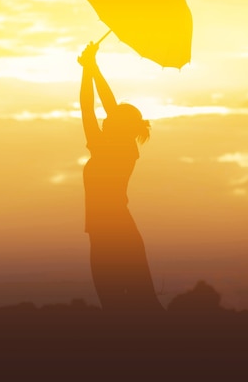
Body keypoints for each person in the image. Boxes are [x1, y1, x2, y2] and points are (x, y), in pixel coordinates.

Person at [78, 41, 164, 313]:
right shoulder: (118, 145)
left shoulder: (112, 149)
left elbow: (89, 107)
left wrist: (88, 70)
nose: (107, 116)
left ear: (119, 126)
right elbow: (104, 104)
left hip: (110, 234)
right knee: (129, 306)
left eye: (113, 117)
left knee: (124, 308)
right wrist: (91, 67)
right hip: (110, 231)